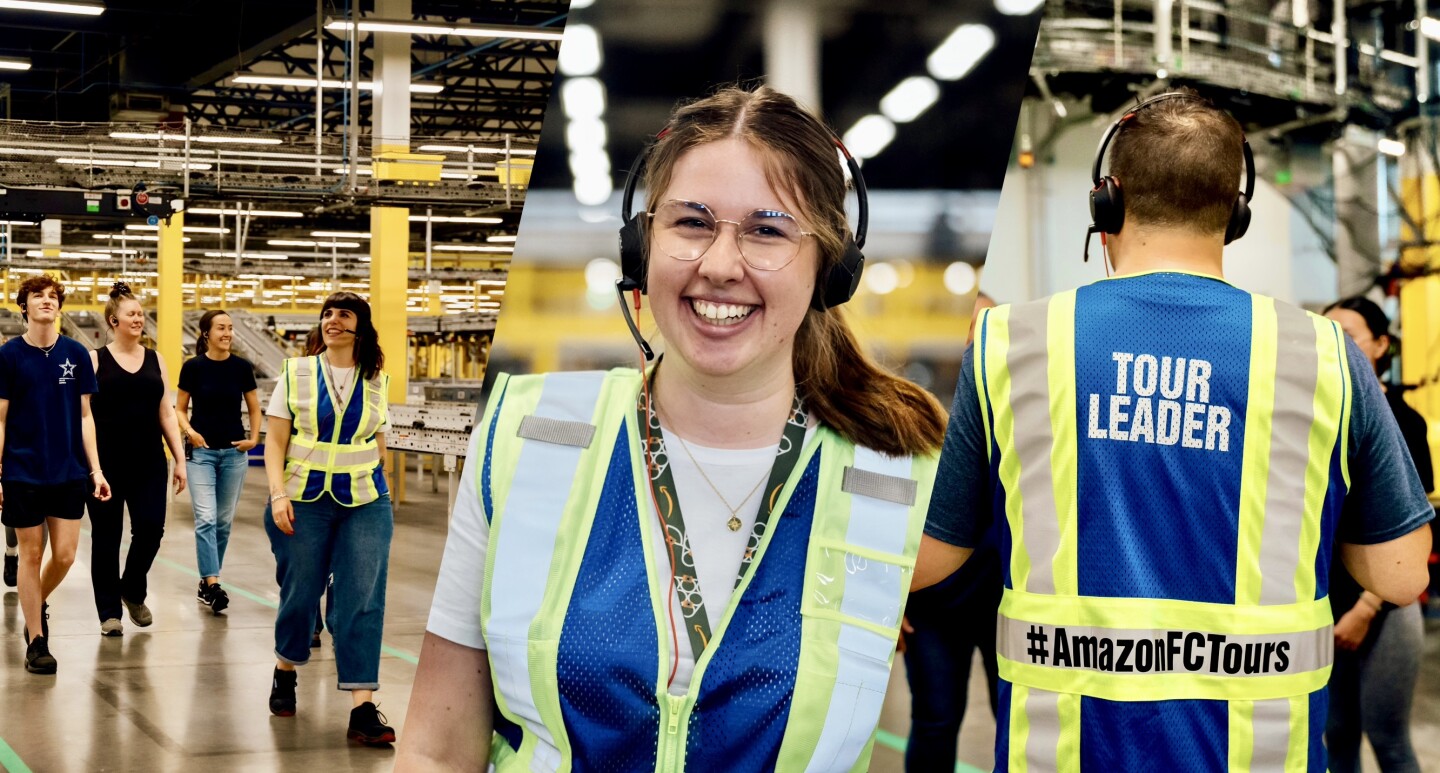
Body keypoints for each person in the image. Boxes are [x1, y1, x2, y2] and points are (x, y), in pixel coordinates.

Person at [397, 85, 964, 772]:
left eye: (768, 229)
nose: (721, 265)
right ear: (643, 245)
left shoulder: (908, 480)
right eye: (692, 223)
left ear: (831, 269)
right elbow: (434, 748)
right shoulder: (520, 438)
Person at [928, 90, 1433, 770]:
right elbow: (1400, 574)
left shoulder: (1006, 343)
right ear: (1236, 212)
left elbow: (931, 558)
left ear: (1107, 202)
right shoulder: (1322, 354)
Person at [263, 291, 395, 746]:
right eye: (327, 313)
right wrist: (278, 495)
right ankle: (285, 670)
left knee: (363, 597)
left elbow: (379, 440)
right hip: (303, 500)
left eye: (343, 314)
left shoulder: (377, 380)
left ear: (362, 327)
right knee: (302, 594)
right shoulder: (294, 373)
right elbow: (275, 442)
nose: (332, 320)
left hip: (366, 501)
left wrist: (383, 484)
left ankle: (362, 708)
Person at [1321, 296, 1432, 773]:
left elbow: (1415, 534)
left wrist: (1365, 609)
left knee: (1389, 740)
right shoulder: (1318, 418)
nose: (1334, 347)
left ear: (1382, 345)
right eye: (1325, 335)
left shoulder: (1404, 421)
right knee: (1337, 738)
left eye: (1346, 335)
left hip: (1384, 608)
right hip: (1327, 607)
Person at [900, 291, 1003, 772]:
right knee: (936, 722)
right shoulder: (919, 417)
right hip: (934, 609)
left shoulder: (1019, 412)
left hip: (1004, 604)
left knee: (1016, 720)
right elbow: (880, 510)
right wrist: (887, 594)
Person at [0, 274, 112, 673]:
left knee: (64, 556)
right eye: (37, 296)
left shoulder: (78, 354)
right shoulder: (9, 355)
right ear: (24, 307)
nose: (46, 301)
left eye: (52, 296)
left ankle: (35, 603)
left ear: (59, 307)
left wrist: (96, 470)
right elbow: (0, 419)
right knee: (31, 554)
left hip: (68, 470)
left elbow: (85, 417)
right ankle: (36, 639)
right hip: (21, 470)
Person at [86, 282, 187, 636]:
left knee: (150, 530)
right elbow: (83, 417)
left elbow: (166, 413)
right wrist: (92, 466)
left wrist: (180, 459)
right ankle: (109, 612)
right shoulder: (95, 359)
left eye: (141, 314)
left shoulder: (156, 359)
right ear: (113, 320)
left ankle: (131, 588)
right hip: (106, 464)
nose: (139, 319)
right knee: (106, 537)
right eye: (132, 314)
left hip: (148, 461)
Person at [177, 309, 261, 614]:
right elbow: (179, 408)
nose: (227, 333)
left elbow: (253, 407)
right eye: (221, 328)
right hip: (201, 454)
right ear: (206, 334)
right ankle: (213, 584)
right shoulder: (193, 367)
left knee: (223, 523)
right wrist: (190, 432)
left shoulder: (241, 367)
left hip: (234, 455)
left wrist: (253, 439)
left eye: (230, 328)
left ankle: (207, 582)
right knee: (207, 519)